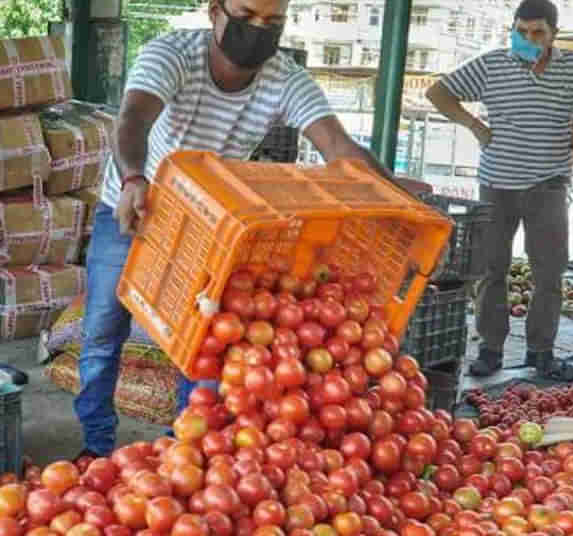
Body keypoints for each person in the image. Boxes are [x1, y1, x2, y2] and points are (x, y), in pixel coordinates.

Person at [76, 0, 428, 462]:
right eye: (246, 15)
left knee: (204, 343)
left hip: (212, 227)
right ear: (214, 11)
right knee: (104, 329)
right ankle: (94, 444)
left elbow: (338, 147)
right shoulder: (172, 54)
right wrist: (134, 179)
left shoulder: (283, 77)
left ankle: (186, 450)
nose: (258, 29)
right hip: (137, 205)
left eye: (272, 22)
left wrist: (400, 201)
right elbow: (133, 119)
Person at [425, 0, 573, 380]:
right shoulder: (491, 65)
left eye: (537, 33)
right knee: (491, 270)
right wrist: (474, 125)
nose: (528, 39)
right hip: (496, 184)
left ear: (554, 35)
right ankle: (490, 350)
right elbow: (438, 93)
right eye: (521, 31)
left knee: (550, 274)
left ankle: (541, 352)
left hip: (548, 184)